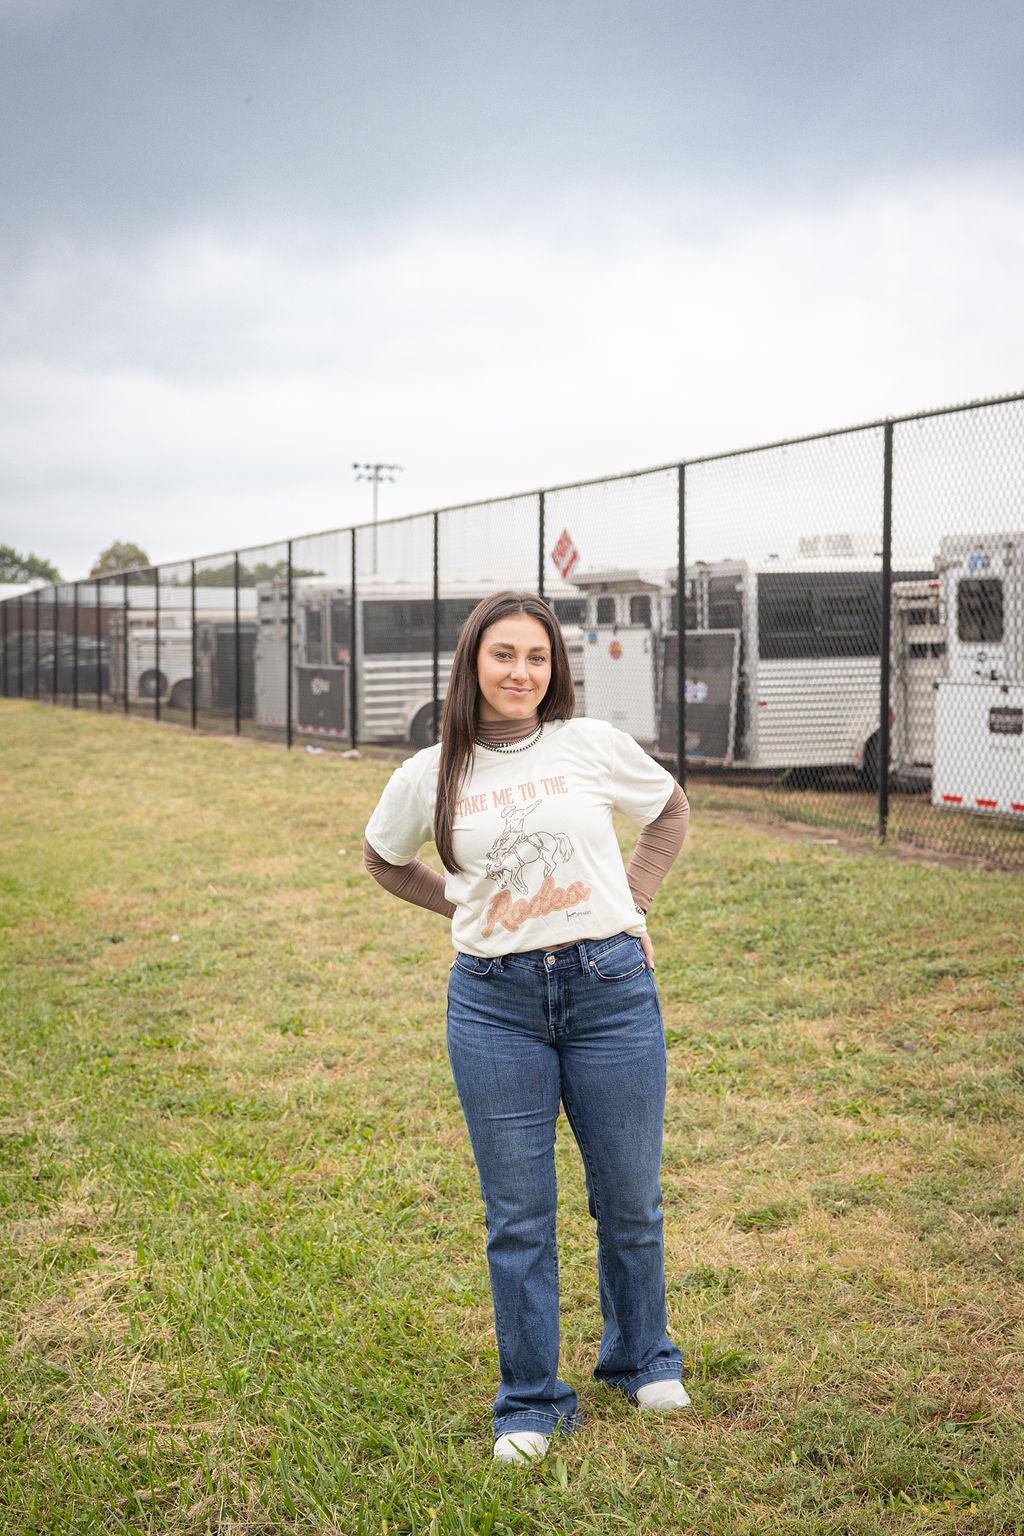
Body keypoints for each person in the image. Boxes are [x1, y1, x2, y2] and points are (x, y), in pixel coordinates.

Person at [363, 590, 691, 1463]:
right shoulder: (430, 771)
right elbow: (383, 860)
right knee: (518, 1214)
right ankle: (532, 1401)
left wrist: (636, 899)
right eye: (504, 655)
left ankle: (641, 1355)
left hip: (610, 991)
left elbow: (669, 811)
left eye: (538, 658)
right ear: (473, 662)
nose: (522, 672)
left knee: (629, 1197)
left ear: (557, 669)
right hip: (494, 1006)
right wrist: (463, 908)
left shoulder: (588, 745)